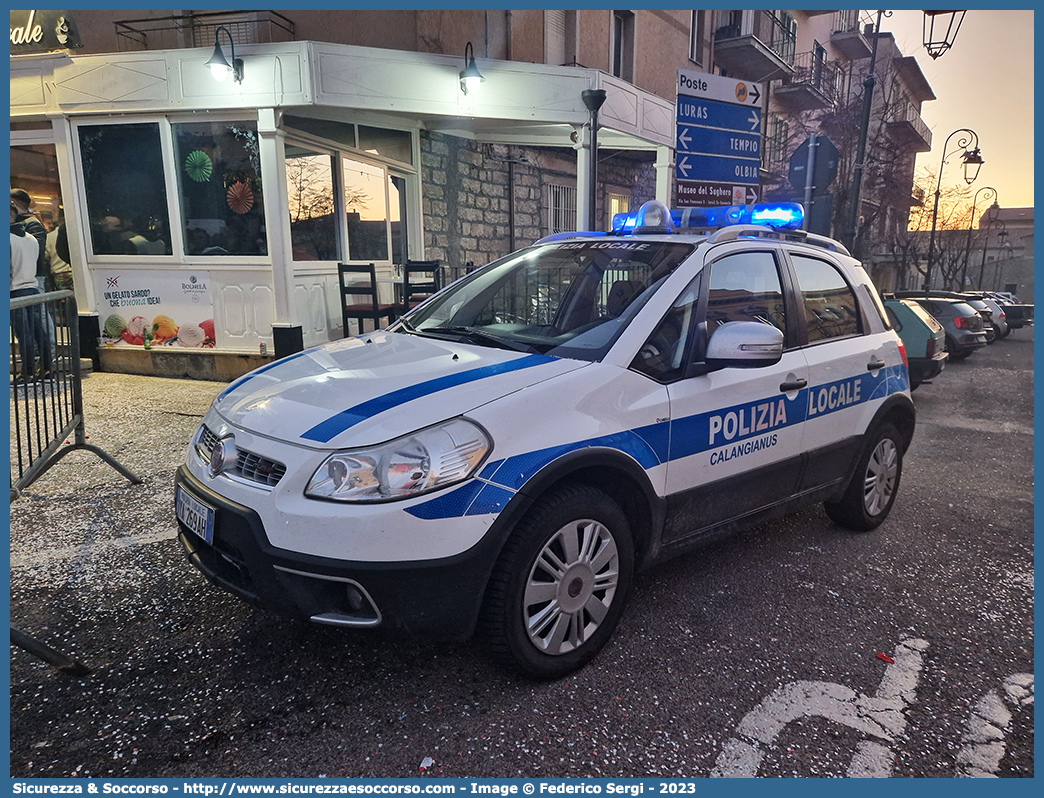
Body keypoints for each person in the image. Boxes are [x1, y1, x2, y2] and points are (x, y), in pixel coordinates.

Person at [10, 203, 51, 382]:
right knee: (37, 331)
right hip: (32, 288)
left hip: (15, 290)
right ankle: (47, 370)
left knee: (23, 333)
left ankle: (27, 372)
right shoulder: (31, 238)